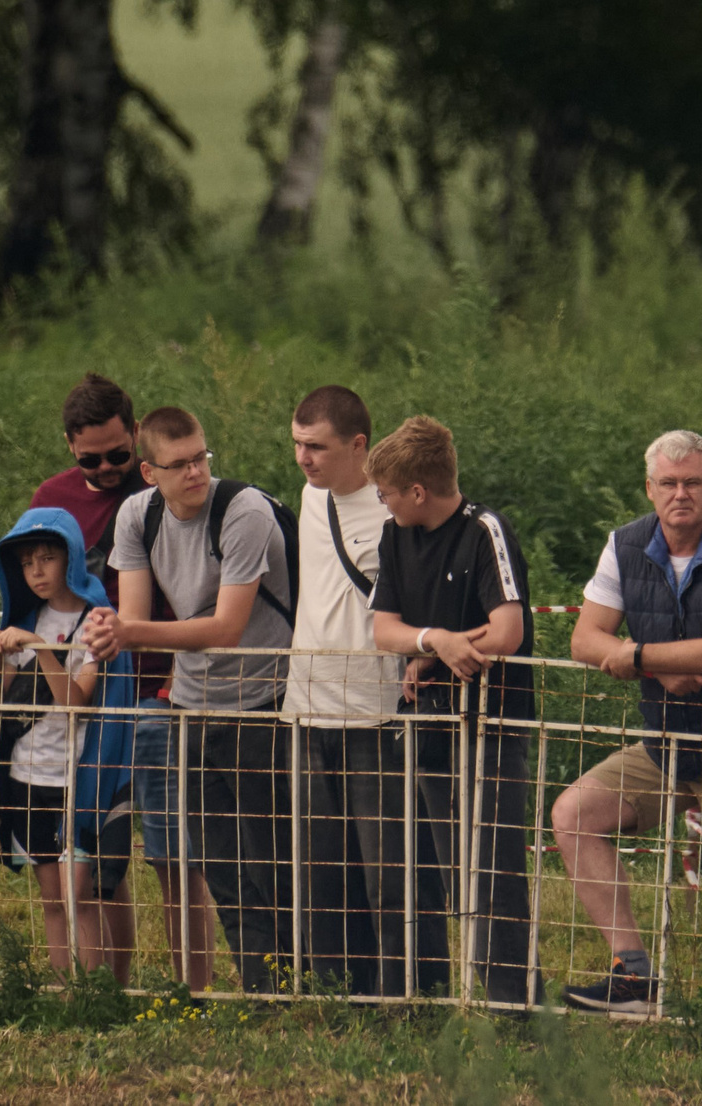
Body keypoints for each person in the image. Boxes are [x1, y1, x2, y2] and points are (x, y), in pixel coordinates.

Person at [556, 429, 702, 1021]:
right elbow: (585, 638)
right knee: (574, 815)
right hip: (666, 745)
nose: (679, 494)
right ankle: (633, 976)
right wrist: (660, 671)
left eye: (692, 483)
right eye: (668, 483)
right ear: (649, 488)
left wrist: (637, 658)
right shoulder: (624, 544)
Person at [85, 406, 297, 992]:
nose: (196, 473)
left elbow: (226, 626)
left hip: (264, 699)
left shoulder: (243, 510)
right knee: (220, 865)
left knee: (270, 856)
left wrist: (125, 633)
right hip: (191, 702)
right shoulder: (136, 514)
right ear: (150, 472)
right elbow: (130, 616)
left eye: (201, 458)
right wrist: (111, 632)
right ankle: (264, 987)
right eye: (179, 465)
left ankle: (300, 980)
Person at [27, 373, 212, 989]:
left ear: (137, 437)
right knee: (99, 860)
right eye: (90, 459)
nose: (108, 468)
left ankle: (195, 992)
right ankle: (111, 991)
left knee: (174, 854)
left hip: (163, 691)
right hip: (84, 700)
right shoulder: (50, 501)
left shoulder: (171, 487)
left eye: (119, 455)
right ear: (67, 447)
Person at [366, 415, 540, 1006]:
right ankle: (421, 995)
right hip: (422, 721)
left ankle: (510, 1003)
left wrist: (439, 651)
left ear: (418, 491)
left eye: (386, 492)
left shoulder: (485, 530)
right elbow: (384, 629)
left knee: (488, 872)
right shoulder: (394, 535)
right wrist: (431, 643)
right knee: (418, 870)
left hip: (489, 724)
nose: (381, 502)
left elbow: (509, 629)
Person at [284, 384, 434, 998]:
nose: (304, 459)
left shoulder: (395, 511)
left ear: (358, 446)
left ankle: (409, 999)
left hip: (377, 717)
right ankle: (335, 994)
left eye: (316, 447)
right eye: (296, 445)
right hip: (306, 707)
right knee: (320, 872)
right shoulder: (308, 497)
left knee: (391, 877)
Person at [0, 508, 135, 978]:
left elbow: (75, 703)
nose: (37, 571)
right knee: (53, 899)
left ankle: (97, 994)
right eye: (27, 562)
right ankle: (63, 993)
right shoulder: (25, 616)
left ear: (71, 558)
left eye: (47, 558)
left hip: (75, 778)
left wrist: (39, 647)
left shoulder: (97, 622)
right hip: (26, 776)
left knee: (82, 894)